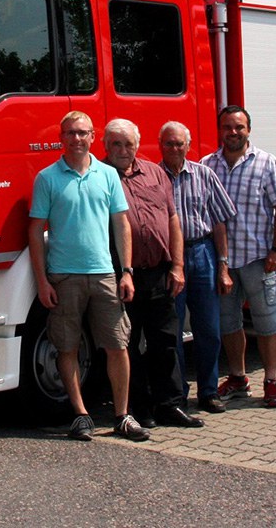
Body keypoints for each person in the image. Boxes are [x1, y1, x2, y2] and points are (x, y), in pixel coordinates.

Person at [28, 111, 150, 443]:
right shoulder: (47, 178)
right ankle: (80, 415)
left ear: (93, 137)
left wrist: (126, 272)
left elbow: (121, 224)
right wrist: (42, 281)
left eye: (82, 133)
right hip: (63, 276)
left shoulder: (108, 175)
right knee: (66, 346)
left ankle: (122, 416)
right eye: (70, 133)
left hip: (105, 274)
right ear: (61, 138)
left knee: (118, 345)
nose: (77, 139)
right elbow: (35, 230)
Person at [102, 119, 203, 429]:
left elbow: (173, 219)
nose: (123, 150)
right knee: (128, 345)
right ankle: (139, 408)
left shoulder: (155, 173)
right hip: (121, 275)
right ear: (105, 145)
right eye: (116, 144)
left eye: (128, 144)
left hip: (159, 272)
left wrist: (177, 266)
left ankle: (170, 405)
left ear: (138, 144)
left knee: (166, 342)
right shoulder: (100, 175)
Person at [202, 106, 276, 408]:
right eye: (227, 127)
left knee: (268, 323)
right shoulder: (207, 165)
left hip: (259, 259)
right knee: (229, 323)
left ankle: (271, 381)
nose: (233, 132)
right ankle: (238, 378)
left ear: (248, 130)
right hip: (223, 264)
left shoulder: (267, 163)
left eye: (239, 127)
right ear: (220, 130)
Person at [158, 121, 236, 414]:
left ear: (188, 146)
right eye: (169, 143)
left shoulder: (205, 174)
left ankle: (209, 391)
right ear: (161, 145)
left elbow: (220, 222)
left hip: (203, 253)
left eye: (179, 143)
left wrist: (223, 266)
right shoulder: (153, 177)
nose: (174, 148)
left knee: (209, 329)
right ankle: (178, 393)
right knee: (173, 331)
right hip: (169, 260)